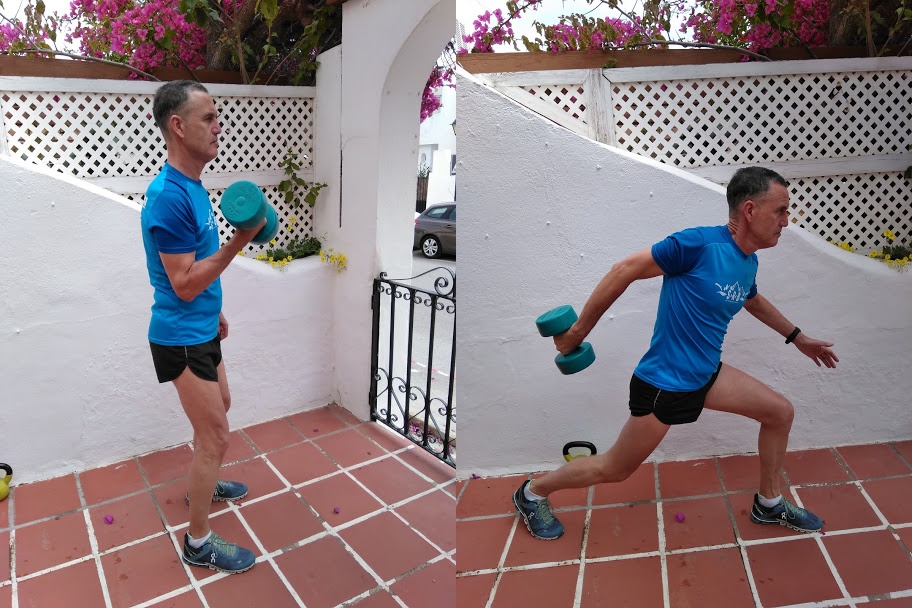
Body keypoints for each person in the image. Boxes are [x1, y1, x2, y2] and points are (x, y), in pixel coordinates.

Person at [513, 166, 839, 541]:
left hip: (707, 375)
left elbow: (752, 299)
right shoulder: (697, 245)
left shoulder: (747, 261)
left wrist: (798, 337)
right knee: (616, 469)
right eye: (780, 210)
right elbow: (625, 269)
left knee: (780, 412)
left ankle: (768, 504)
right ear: (750, 210)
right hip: (663, 385)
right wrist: (576, 333)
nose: (786, 219)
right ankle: (532, 492)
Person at [141, 80, 265, 573]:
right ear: (178, 126)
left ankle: (205, 480)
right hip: (179, 338)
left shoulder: (192, 187)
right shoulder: (169, 197)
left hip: (201, 329)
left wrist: (213, 312)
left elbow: (192, 273)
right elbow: (184, 283)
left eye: (217, 117)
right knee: (215, 434)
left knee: (221, 410)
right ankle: (197, 542)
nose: (219, 127)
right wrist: (243, 239)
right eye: (208, 118)